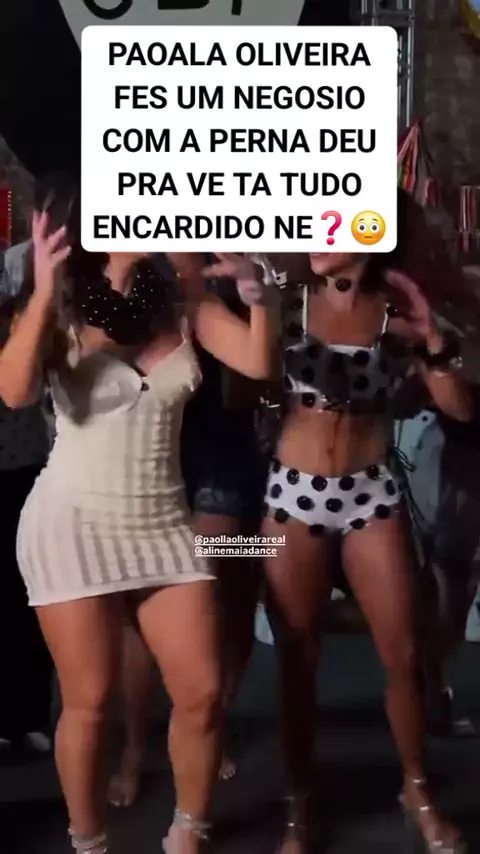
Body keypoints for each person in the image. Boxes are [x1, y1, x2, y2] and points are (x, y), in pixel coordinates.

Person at [0, 186, 278, 854]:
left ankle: (188, 834)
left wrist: (261, 296)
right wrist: (42, 293)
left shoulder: (182, 301)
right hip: (72, 521)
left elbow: (260, 363)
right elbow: (14, 391)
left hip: (162, 520)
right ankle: (89, 842)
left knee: (203, 691)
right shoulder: (59, 304)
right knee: (90, 701)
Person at [261, 191, 472, 854]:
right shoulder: (288, 300)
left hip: (371, 493)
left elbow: (460, 409)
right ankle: (300, 803)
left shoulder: (395, 308)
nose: (320, 233)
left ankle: (418, 789)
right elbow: (243, 383)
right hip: (292, 495)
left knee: (404, 654)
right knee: (297, 657)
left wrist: (434, 344)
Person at [108, 252, 270, 807]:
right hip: (154, 463)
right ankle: (134, 749)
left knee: (231, 594)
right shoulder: (131, 282)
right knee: (144, 608)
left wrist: (257, 299)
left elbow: (259, 372)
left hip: (228, 457)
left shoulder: (223, 284)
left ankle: (212, 723)